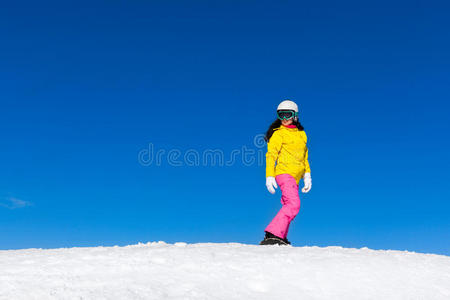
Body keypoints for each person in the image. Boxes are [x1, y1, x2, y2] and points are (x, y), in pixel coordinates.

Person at [259, 100, 312, 246]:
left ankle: (280, 236)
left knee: (288, 204)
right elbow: (271, 155)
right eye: (280, 115)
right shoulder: (278, 134)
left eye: (287, 114)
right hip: (284, 173)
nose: (284, 118)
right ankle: (273, 233)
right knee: (294, 204)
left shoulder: (302, 135)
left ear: (295, 115)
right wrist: (269, 176)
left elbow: (304, 157)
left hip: (296, 178)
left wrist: (307, 175)